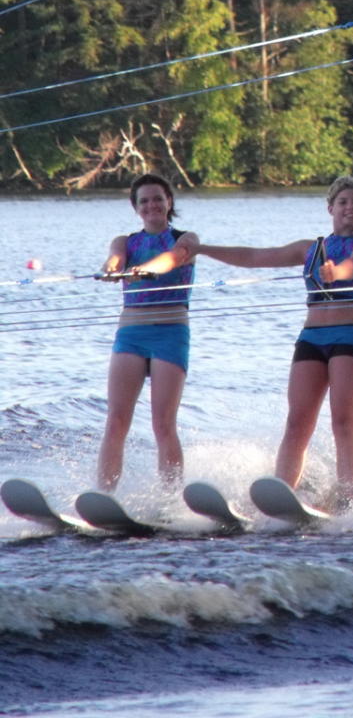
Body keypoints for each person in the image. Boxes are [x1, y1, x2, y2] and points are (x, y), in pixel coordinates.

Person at [195, 176, 353, 509]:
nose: (350, 207)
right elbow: (255, 256)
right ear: (330, 208)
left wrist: (336, 273)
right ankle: (281, 495)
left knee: (343, 421)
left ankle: (349, 499)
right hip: (311, 338)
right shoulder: (309, 249)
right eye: (343, 202)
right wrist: (202, 250)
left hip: (351, 337)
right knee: (297, 422)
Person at [96, 173, 198, 491]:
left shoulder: (186, 238)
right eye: (144, 201)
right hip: (131, 333)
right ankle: (104, 495)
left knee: (163, 424)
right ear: (135, 207)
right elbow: (115, 259)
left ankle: (170, 498)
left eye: (157, 199)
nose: (151, 205)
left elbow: (173, 259)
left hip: (171, 333)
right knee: (116, 421)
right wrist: (112, 269)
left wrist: (145, 270)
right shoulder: (125, 242)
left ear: (169, 202)